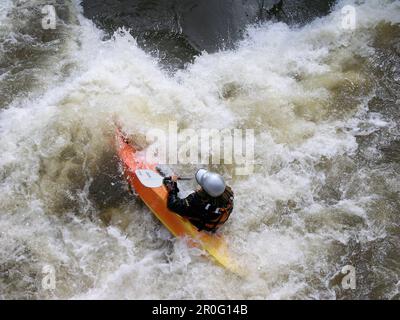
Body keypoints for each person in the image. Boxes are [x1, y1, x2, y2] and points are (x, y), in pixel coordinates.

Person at [163, 169, 234, 233]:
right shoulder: (229, 196)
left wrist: (172, 188)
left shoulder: (195, 201)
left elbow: (172, 205)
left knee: (182, 206)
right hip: (213, 224)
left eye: (202, 187)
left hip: (200, 225)